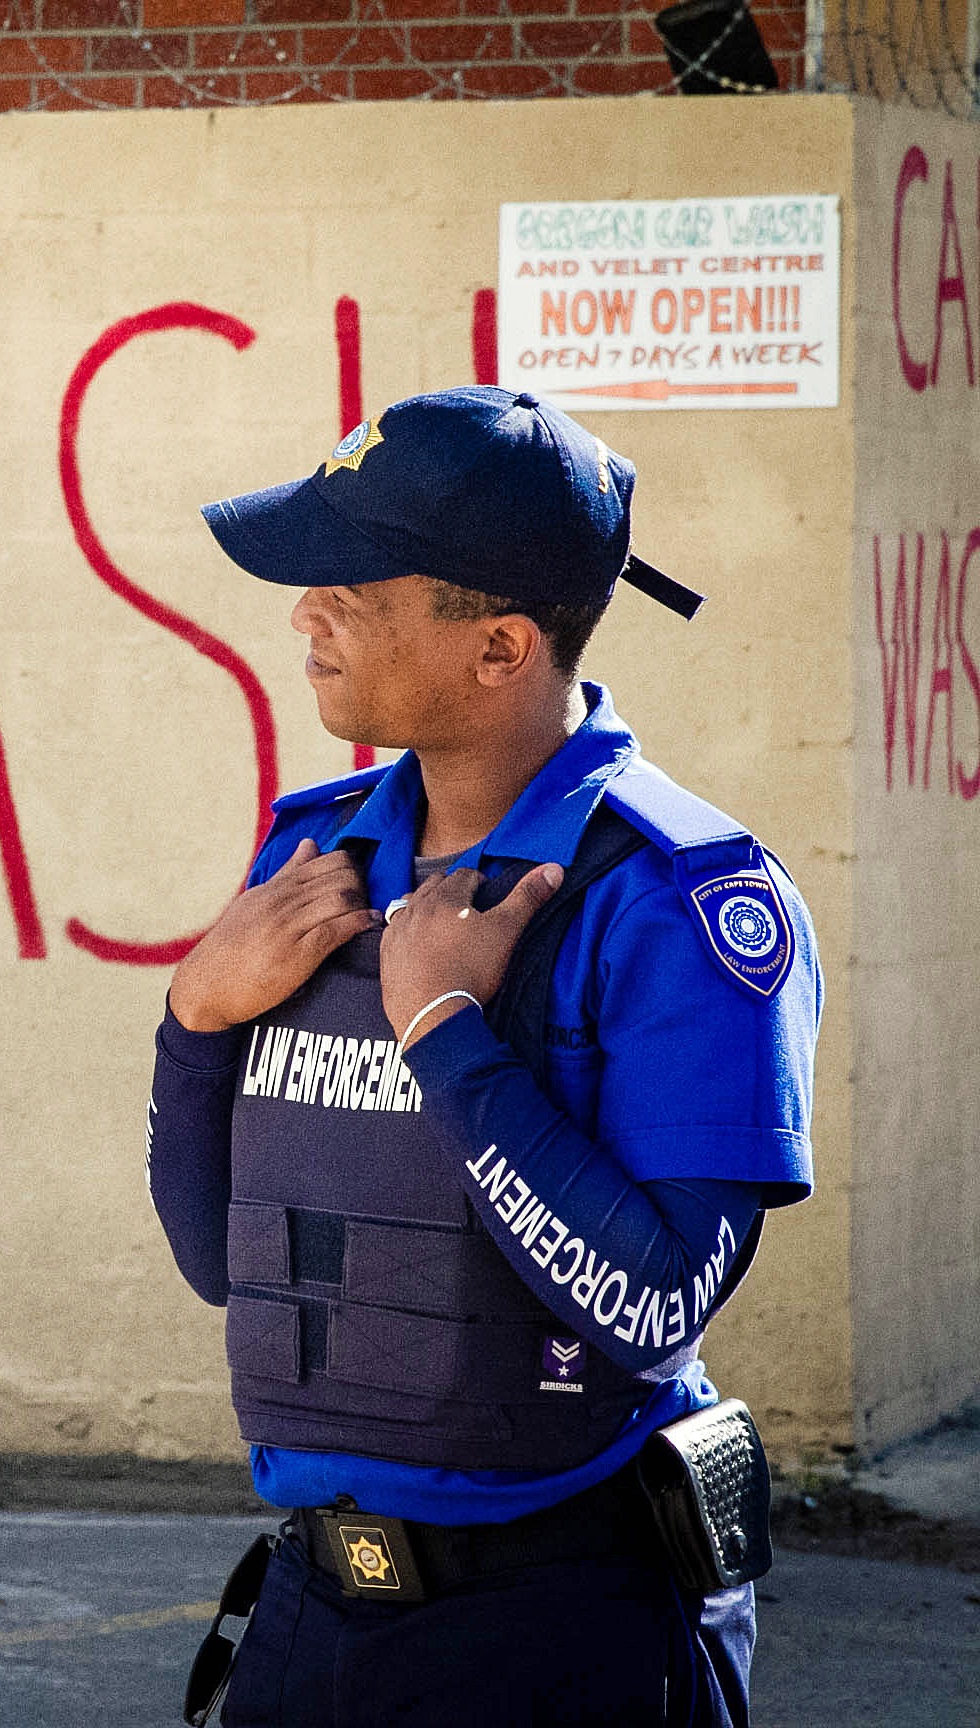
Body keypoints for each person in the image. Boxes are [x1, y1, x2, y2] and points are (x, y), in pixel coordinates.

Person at [147, 386, 818, 1727]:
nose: (303, 612)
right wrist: (194, 1026)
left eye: (350, 585)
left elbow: (655, 1306)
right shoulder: (318, 854)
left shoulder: (676, 901)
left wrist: (448, 1035)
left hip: (567, 1628)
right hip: (314, 1617)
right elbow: (228, 1266)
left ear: (502, 645)